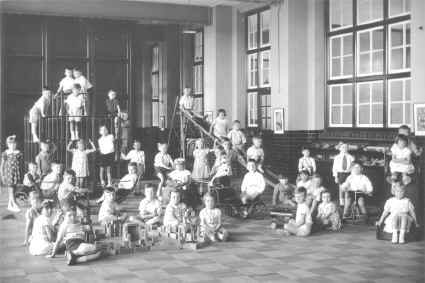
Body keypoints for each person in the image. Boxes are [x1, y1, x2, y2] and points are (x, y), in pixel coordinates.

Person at [1, 135, 23, 212]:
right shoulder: (6, 153)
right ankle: (14, 203)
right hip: (8, 173)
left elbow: (20, 164)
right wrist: (2, 175)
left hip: (15, 173)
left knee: (14, 189)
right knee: (11, 189)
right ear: (7, 144)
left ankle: (10, 204)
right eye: (10, 144)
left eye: (14, 143)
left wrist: (21, 173)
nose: (12, 145)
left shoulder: (18, 153)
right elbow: (2, 165)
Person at [332, 142, 354, 207]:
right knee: (341, 188)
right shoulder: (337, 157)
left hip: (348, 174)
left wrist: (352, 175)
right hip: (340, 174)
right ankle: (342, 202)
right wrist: (335, 176)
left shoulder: (350, 157)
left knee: (347, 187)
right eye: (343, 147)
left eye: (346, 147)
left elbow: (352, 167)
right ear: (340, 148)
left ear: (348, 149)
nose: (344, 148)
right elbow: (334, 167)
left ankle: (347, 201)